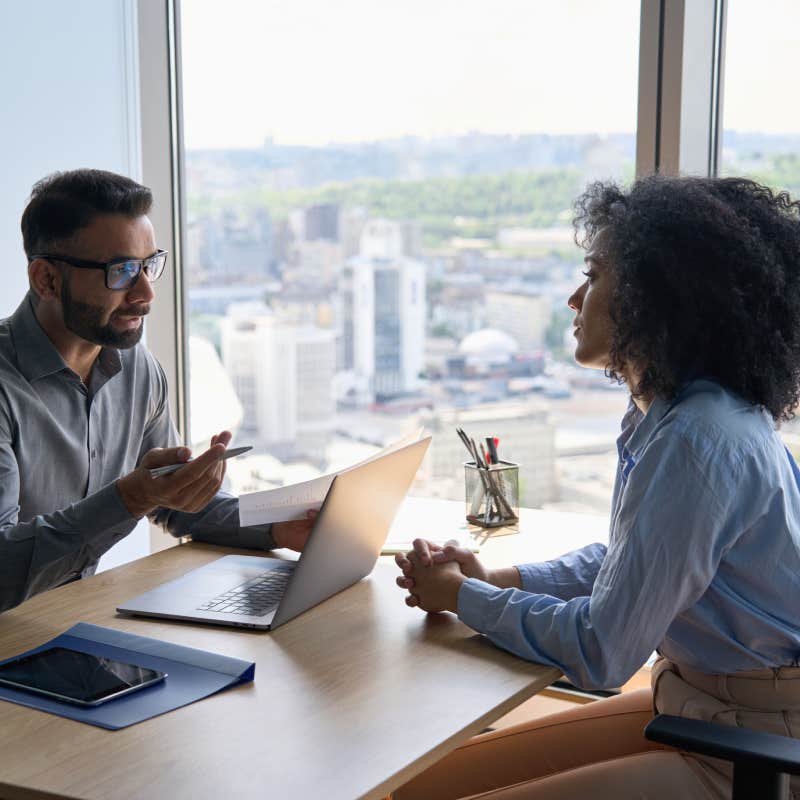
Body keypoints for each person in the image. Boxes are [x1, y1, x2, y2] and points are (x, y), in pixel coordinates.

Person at [394, 175, 800, 799]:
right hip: (703, 704)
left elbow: (604, 648)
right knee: (421, 786)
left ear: (655, 296)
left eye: (594, 274)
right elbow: (636, 565)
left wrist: (460, 598)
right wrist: (499, 582)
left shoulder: (695, 440)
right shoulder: (678, 413)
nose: (573, 299)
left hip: (761, 745)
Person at [0, 168, 314, 613]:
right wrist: (132, 497)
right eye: (122, 271)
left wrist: (278, 529)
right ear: (47, 279)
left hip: (69, 621)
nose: (145, 292)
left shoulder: (136, 367)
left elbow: (174, 502)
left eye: (148, 265)